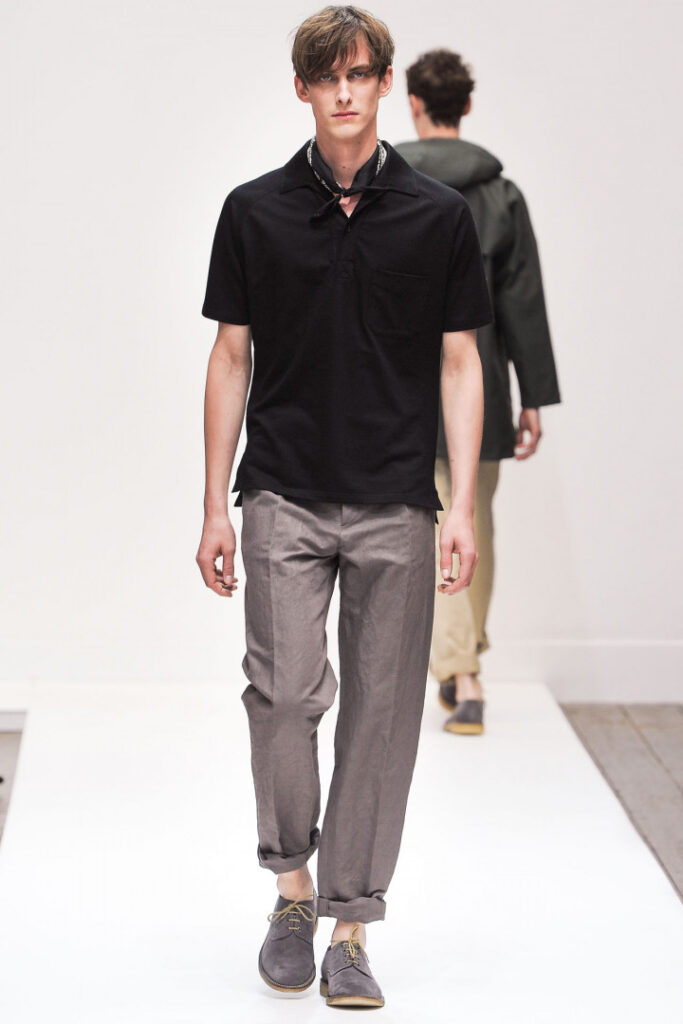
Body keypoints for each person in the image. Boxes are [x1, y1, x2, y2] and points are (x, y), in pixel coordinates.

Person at [196, 7, 493, 1009]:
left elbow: (460, 361)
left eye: (361, 74)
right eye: (328, 76)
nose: (345, 92)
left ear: (383, 83)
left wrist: (460, 506)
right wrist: (212, 504)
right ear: (302, 87)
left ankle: (351, 925)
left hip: (397, 499)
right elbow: (229, 356)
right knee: (282, 697)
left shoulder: (437, 218)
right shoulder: (253, 211)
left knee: (381, 715)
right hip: (280, 490)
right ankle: (292, 891)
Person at [394, 49, 562, 736]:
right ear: (465, 106)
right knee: (471, 524)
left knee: (415, 530)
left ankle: (453, 667)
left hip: (396, 385)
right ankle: (463, 672)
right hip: (480, 382)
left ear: (411, 103)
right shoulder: (499, 195)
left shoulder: (385, 187)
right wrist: (532, 396)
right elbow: (522, 299)